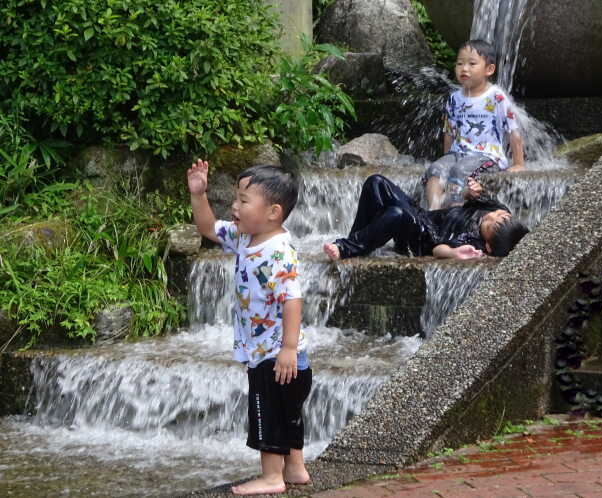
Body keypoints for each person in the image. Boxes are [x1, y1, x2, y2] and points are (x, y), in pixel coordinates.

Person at [188, 159, 312, 496]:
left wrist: (286, 349)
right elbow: (209, 229)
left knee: (267, 413)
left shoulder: (279, 251)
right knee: (288, 413)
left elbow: (292, 300)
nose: (235, 206)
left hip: (276, 355)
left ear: (273, 211)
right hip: (272, 353)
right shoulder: (245, 237)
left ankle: (272, 477)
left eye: (244, 200)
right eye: (236, 198)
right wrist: (198, 195)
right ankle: (296, 468)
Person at [322, 174, 529, 260]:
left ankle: (345, 248)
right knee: (375, 182)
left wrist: (455, 254)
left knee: (397, 214)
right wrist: (471, 190)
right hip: (423, 216)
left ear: (490, 247)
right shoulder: (498, 209)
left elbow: (437, 249)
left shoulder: (474, 243)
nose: (490, 217)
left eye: (491, 226)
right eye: (498, 216)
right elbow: (468, 198)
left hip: (421, 239)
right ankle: (357, 241)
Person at [423, 39, 524, 210]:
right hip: (459, 153)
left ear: (489, 69)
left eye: (472, 64)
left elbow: (513, 130)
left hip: (486, 156)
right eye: (460, 63)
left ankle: (455, 216)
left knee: (459, 170)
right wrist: (447, 157)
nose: (464, 68)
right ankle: (434, 215)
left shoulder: (496, 97)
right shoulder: (455, 98)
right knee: (435, 169)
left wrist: (519, 163)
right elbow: (449, 132)